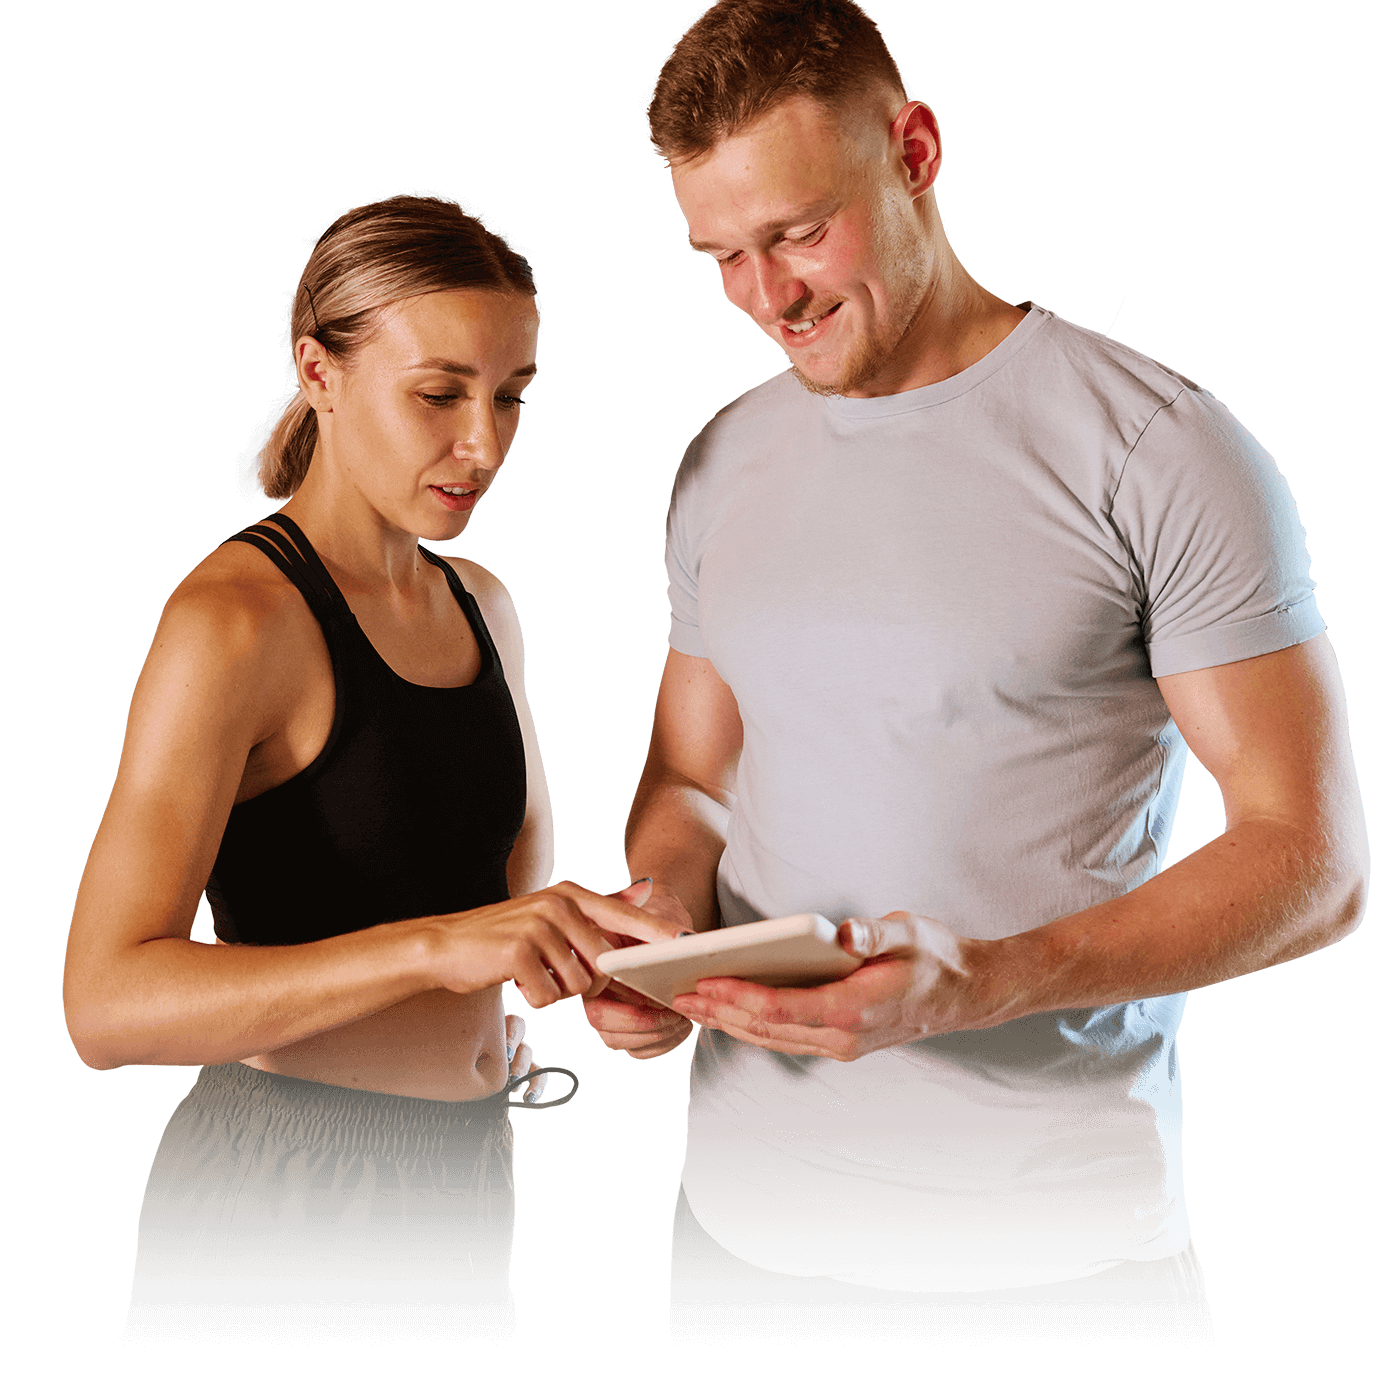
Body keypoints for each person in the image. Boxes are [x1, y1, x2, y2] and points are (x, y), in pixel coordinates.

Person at [585, 0, 1370, 1345]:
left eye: (798, 233)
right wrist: (664, 918)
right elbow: (693, 771)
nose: (766, 297)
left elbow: (1313, 860)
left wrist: (983, 978)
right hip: (737, 1229)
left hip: (1053, 1255)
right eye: (721, 256)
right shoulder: (723, 459)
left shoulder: (1158, 449)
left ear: (914, 151)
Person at [62, 193, 687, 1344]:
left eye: (510, 395)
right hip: (284, 1192)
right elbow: (103, 1006)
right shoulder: (233, 622)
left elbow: (498, 919)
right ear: (320, 371)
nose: (483, 443)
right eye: (438, 393)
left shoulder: (483, 602)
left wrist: (622, 965)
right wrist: (436, 946)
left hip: (468, 1172)